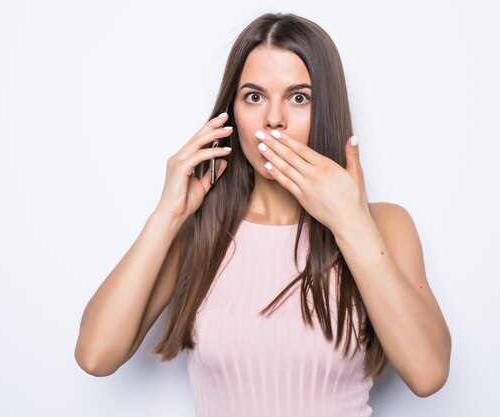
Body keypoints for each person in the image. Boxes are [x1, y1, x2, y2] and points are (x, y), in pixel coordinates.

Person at [74, 12, 452, 417]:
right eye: (254, 96)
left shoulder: (385, 226)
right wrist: (167, 215)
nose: (274, 119)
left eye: (299, 97)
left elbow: (428, 374)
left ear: (326, 109)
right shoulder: (198, 233)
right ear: (231, 114)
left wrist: (350, 222)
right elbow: (96, 356)